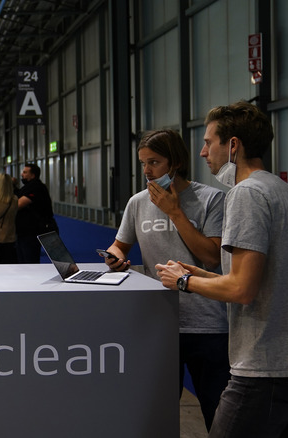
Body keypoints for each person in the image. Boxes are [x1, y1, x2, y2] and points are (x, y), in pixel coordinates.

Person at [156, 102, 288, 437]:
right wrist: (203, 275)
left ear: (233, 145)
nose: (203, 152)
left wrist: (184, 281)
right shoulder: (282, 190)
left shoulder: (245, 194)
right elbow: (260, 279)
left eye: (208, 142)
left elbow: (241, 291)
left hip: (262, 368)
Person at [103, 129, 229, 431]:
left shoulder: (211, 199)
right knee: (157, 414)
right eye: (143, 163)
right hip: (159, 322)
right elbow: (120, 244)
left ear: (174, 163)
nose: (147, 171)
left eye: (154, 162)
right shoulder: (137, 202)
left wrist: (175, 212)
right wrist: (113, 255)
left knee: (219, 414)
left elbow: (212, 257)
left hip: (206, 325)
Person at [15, 163, 57, 263]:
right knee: (22, 260)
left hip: (32, 231)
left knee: (29, 261)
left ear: (33, 175)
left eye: (25, 172)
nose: (22, 174)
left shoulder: (36, 187)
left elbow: (18, 204)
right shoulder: (27, 187)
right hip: (23, 231)